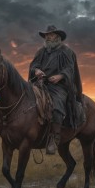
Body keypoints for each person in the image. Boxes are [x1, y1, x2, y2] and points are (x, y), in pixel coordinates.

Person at [29, 25, 83, 155]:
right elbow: (33, 65)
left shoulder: (67, 52)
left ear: (58, 37)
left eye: (51, 35)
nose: (48, 37)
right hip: (40, 83)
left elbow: (70, 69)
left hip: (59, 86)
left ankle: (54, 137)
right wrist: (36, 71)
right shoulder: (40, 52)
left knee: (56, 104)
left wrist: (60, 76)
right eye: (46, 35)